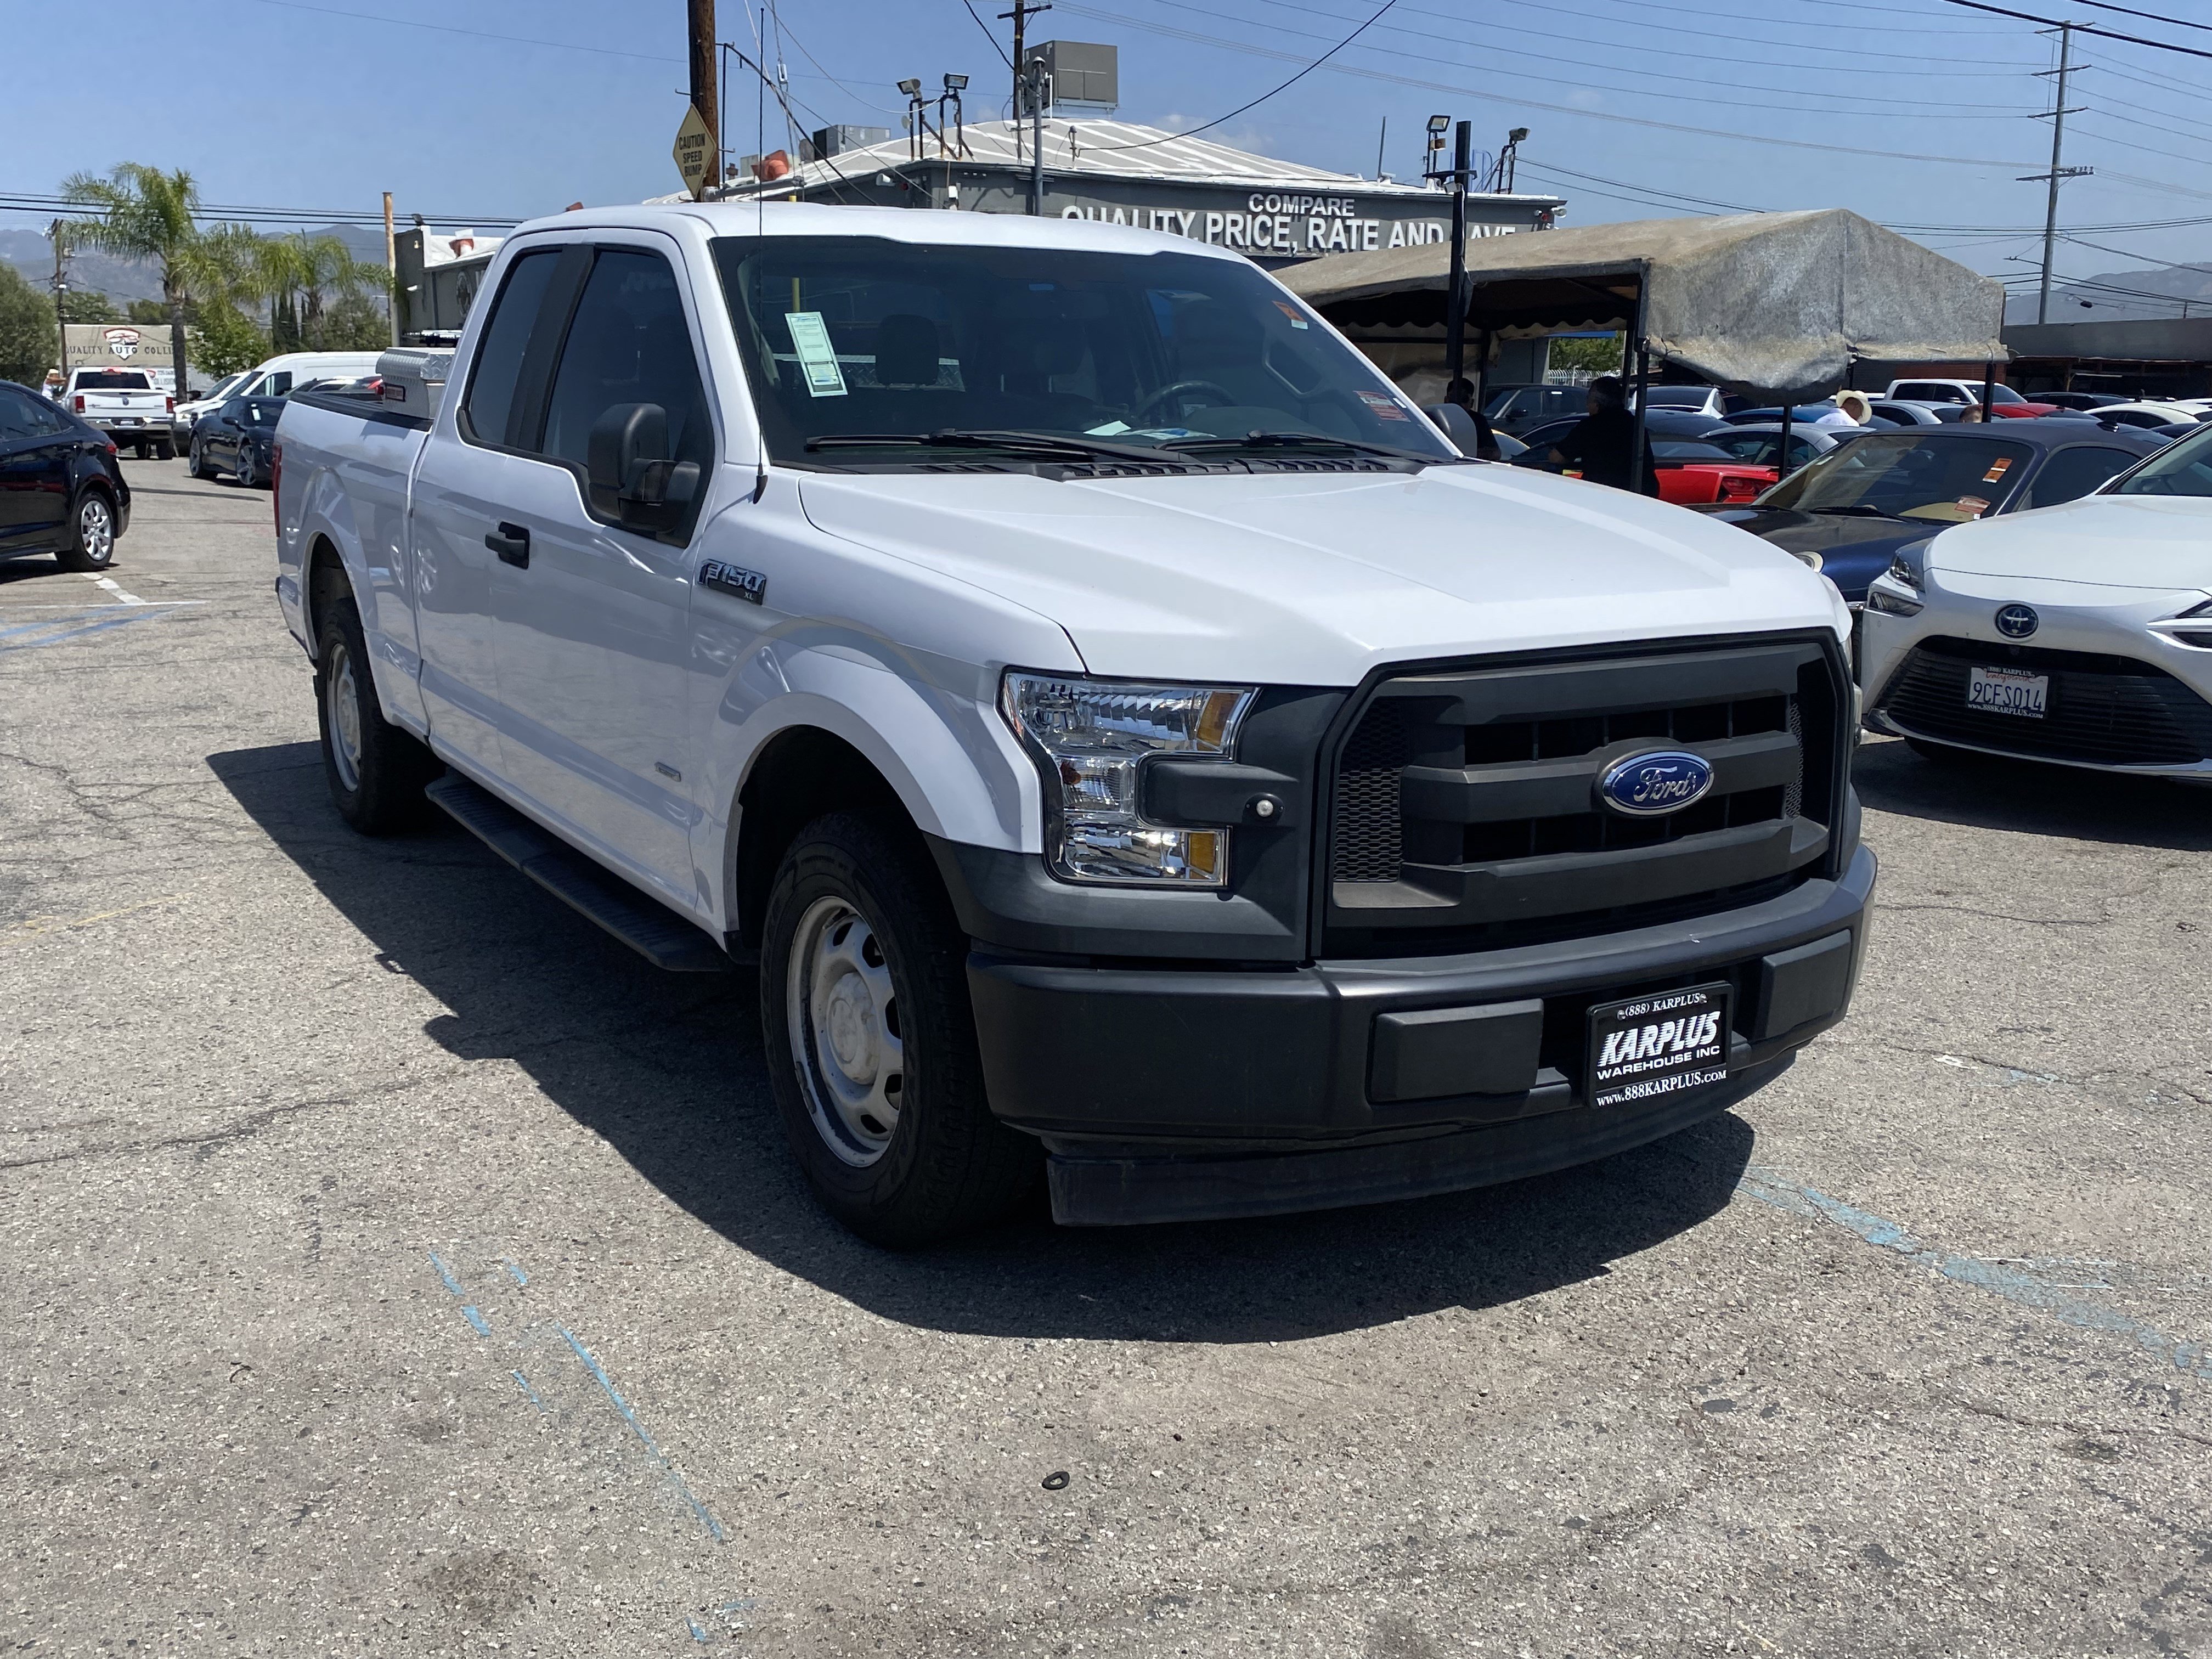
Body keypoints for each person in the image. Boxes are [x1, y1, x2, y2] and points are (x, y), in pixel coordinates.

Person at [1548, 375, 1658, 494]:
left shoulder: (1590, 426)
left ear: (1596, 404)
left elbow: (1557, 457)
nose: (1586, 406)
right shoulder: (1636, 425)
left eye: (1588, 400)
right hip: (1642, 494)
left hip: (1603, 494)